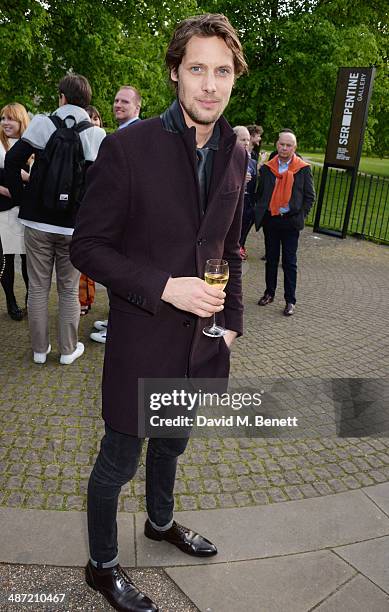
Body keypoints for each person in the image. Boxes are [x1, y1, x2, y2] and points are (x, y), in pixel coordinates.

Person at [70, 13, 247, 612]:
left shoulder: (237, 152)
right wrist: (165, 286)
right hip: (141, 339)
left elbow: (230, 245)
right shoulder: (127, 147)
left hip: (199, 344)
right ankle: (101, 565)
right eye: (197, 68)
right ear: (175, 73)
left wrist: (230, 324)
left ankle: (161, 523)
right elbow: (87, 247)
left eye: (221, 71)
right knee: (118, 460)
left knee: (173, 443)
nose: (209, 84)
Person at [5, 74, 106, 364]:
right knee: (68, 288)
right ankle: (67, 350)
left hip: (37, 222)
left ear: (61, 96)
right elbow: (104, 183)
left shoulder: (42, 123)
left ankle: (39, 351)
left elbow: (13, 161)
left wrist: (22, 199)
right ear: (87, 101)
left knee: (37, 287)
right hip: (74, 226)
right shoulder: (96, 134)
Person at [90, 86, 142, 344]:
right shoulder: (120, 134)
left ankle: (119, 328)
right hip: (116, 220)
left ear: (137, 107)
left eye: (125, 101)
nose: (118, 104)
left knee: (122, 275)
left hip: (127, 223)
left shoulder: (136, 136)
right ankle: (114, 319)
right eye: (116, 100)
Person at [256, 129, 315, 316]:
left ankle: (290, 300)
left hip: (291, 223)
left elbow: (309, 196)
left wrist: (300, 216)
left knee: (290, 262)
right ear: (277, 144)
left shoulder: (303, 168)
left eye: (289, 145)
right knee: (271, 260)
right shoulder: (267, 168)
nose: (284, 148)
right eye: (282, 144)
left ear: (294, 147)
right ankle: (269, 293)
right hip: (271, 221)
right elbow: (260, 194)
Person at [0, 103, 30, 320]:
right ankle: (11, 301)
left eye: (11, 119)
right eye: (3, 118)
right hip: (5, 211)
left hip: (28, 212)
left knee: (29, 260)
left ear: (21, 121)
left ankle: (31, 300)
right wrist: (12, 191)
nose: (5, 123)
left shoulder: (33, 145)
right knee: (7, 259)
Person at [233, 126, 257, 260]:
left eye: (248, 140)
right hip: (232, 205)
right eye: (243, 140)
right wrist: (240, 179)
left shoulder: (252, 162)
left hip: (247, 206)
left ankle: (240, 249)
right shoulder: (226, 160)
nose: (247, 143)